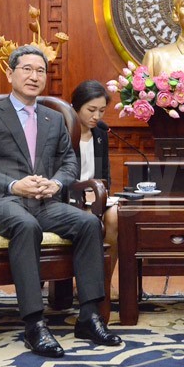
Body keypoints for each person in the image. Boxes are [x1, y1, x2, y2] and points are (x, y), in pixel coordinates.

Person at [0, 45, 122, 358]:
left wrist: (56, 183)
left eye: (40, 71)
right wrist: (14, 184)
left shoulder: (53, 118)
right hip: (0, 202)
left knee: (89, 222)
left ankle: (89, 316)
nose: (34, 76)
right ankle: (34, 323)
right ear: (10, 73)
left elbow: (69, 164)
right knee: (26, 225)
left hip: (45, 202)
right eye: (26, 69)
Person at [70, 80, 118, 279]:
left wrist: (100, 192)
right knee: (89, 220)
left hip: (96, 195)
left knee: (116, 216)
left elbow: (104, 174)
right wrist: (83, 193)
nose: (96, 116)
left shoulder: (100, 133)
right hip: (70, 198)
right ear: (75, 107)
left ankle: (105, 281)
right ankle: (83, 281)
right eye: (91, 110)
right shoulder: (63, 132)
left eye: (101, 111)